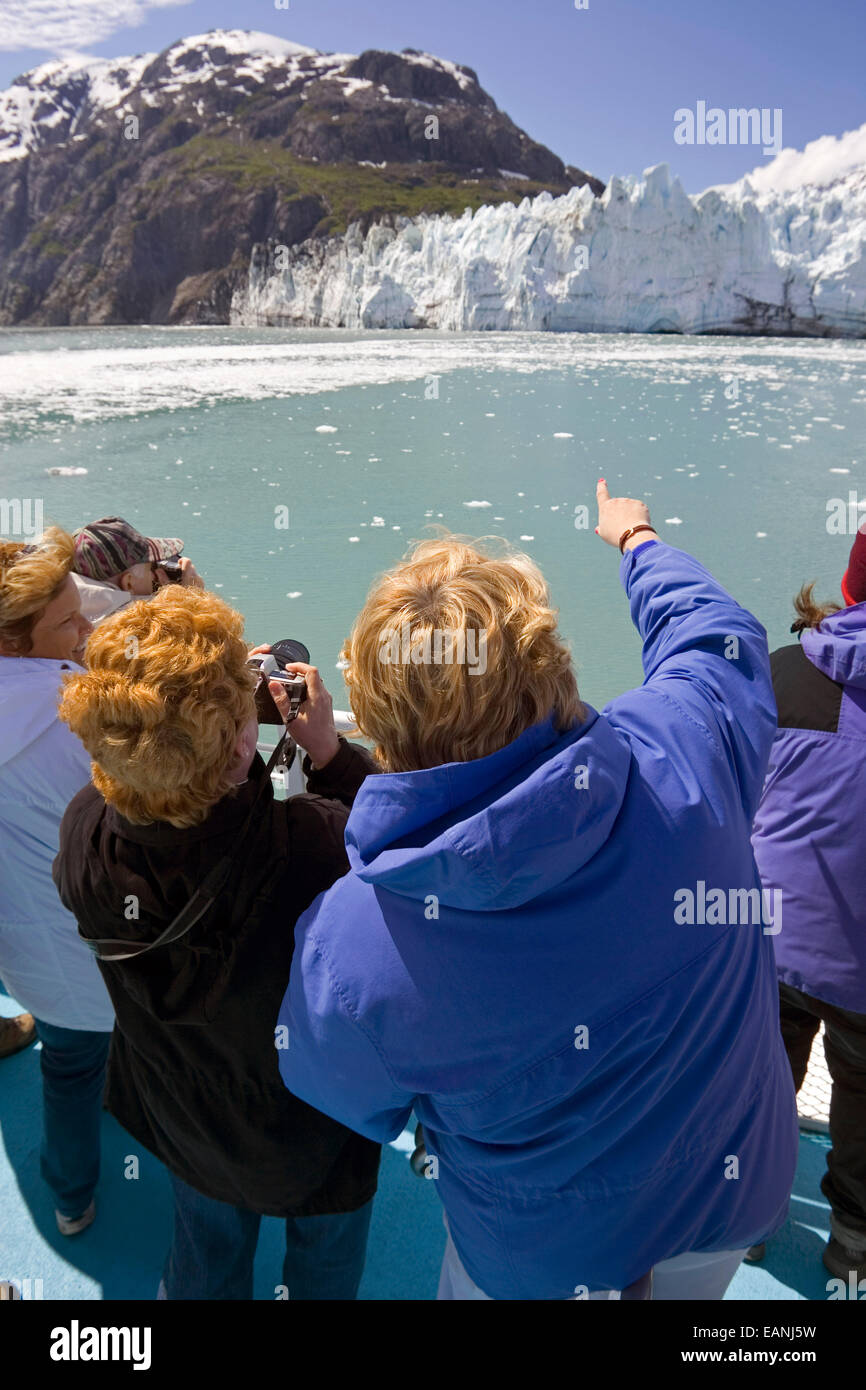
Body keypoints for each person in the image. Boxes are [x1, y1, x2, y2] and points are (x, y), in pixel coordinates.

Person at [275, 481, 799, 1300]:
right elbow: (719, 636)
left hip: (539, 1258)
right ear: (548, 663)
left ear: (379, 719)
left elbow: (339, 1090)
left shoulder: (354, 941)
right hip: (726, 1193)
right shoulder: (684, 746)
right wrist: (640, 544)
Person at [53, 586, 381, 1300]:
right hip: (313, 1133)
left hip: (182, 1114)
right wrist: (329, 752)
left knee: (206, 1253)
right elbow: (403, 842)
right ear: (242, 744)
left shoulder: (84, 832)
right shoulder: (312, 849)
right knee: (324, 1262)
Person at [750, 523, 866, 1282]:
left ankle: (750, 1215)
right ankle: (853, 1242)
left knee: (760, 1079)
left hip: (771, 938)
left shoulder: (783, 673)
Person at [0, 528, 114, 1235]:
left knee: (67, 1066)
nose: (88, 627)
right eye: (69, 620)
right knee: (88, 1065)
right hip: (97, 944)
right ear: (13, 645)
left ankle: (70, 1201)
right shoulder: (74, 717)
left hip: (24, 951)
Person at [70, 516, 203, 625]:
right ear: (128, 583)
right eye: (151, 567)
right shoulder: (131, 630)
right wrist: (191, 601)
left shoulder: (60, 612)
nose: (156, 573)